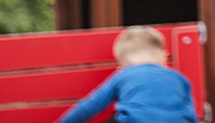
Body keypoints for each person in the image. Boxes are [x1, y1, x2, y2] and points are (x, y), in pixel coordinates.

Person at [56, 26, 199, 123]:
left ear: (121, 66)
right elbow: (190, 113)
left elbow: (90, 106)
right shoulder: (180, 78)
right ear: (163, 56)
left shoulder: (122, 75)